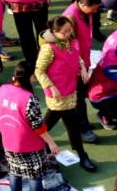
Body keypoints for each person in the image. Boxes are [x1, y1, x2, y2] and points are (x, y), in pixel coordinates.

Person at [35, 15, 97, 172]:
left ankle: (37, 142)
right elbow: (39, 71)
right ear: (54, 31)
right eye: (65, 32)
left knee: (58, 123)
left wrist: (82, 67)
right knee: (68, 123)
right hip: (57, 94)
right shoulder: (48, 48)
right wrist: (52, 87)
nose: (69, 34)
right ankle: (82, 154)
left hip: (70, 90)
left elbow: (77, 56)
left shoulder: (71, 41)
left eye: (70, 30)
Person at [0, 61, 60, 191]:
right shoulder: (29, 98)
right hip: (28, 145)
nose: (34, 80)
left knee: (14, 172)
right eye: (33, 77)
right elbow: (38, 126)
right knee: (34, 176)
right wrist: (51, 143)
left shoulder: (2, 89)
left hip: (8, 140)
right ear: (28, 77)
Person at [62, 0, 101, 142]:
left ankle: (82, 123)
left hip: (83, 61)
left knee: (81, 95)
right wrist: (81, 66)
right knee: (77, 98)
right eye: (94, 8)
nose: (95, 11)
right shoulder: (70, 18)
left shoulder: (85, 13)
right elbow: (68, 46)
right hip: (73, 66)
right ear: (84, 5)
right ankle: (82, 128)